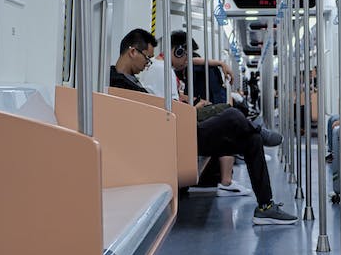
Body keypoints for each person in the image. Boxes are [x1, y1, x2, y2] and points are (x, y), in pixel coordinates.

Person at [109, 29, 298, 225]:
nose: (147, 64)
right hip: (172, 137)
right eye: (146, 58)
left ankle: (265, 206)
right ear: (132, 52)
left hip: (178, 129)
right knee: (232, 114)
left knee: (252, 141)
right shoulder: (116, 81)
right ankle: (256, 129)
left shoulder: (134, 79)